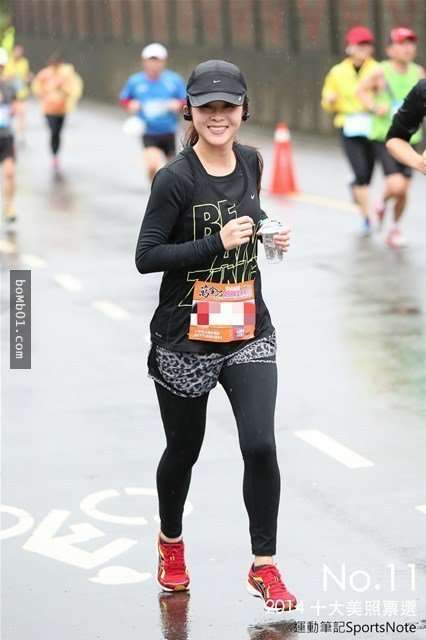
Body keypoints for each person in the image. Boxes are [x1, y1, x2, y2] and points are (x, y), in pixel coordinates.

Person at [135, 59, 297, 613]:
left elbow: (247, 216)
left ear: (243, 110)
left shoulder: (251, 161)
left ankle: (264, 565)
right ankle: (171, 540)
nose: (218, 116)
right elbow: (147, 256)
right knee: (184, 450)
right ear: (190, 112)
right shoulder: (175, 179)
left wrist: (269, 233)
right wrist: (216, 243)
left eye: (228, 106)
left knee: (260, 444)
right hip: (185, 338)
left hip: (248, 328)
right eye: (207, 107)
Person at [357, 28, 424, 248]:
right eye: (402, 44)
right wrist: (374, 107)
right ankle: (383, 201)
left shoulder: (418, 73)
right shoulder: (380, 71)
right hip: (387, 137)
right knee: (397, 185)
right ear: (390, 49)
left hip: (412, 138)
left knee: (403, 190)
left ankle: (395, 227)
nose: (408, 48)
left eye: (411, 43)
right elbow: (361, 91)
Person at [321, 26, 379, 234]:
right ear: (350, 47)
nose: (364, 49)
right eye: (360, 45)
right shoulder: (337, 72)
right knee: (361, 172)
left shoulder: (377, 70)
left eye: (367, 45)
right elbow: (326, 98)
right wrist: (330, 100)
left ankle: (356, 186)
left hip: (372, 126)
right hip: (348, 125)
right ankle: (367, 218)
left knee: (368, 173)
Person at [119, 43, 186, 181]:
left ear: (164, 62)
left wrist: (178, 105)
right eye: (151, 60)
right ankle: (155, 188)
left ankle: (162, 189)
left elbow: (186, 101)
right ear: (144, 62)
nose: (154, 65)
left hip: (169, 130)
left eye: (157, 61)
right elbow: (124, 99)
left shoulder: (174, 80)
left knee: (170, 168)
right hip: (148, 131)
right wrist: (131, 105)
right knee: (153, 165)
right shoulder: (135, 81)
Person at [32, 53, 83, 176]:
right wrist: (43, 94)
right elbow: (37, 87)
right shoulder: (45, 74)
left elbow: (75, 89)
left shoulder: (66, 75)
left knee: (58, 132)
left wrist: (63, 90)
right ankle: (54, 155)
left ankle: (56, 154)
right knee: (53, 131)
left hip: (61, 109)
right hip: (49, 109)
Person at [386, 80, 426, 176]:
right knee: (396, 182)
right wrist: (422, 164)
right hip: (374, 131)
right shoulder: (422, 89)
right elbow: (395, 139)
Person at [0, 48, 17, 224]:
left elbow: (15, 106)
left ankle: (9, 207)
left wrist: (12, 111)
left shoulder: (8, 87)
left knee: (10, 173)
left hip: (6, 136)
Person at [5, 44, 32, 146]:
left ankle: (21, 137)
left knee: (22, 116)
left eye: (20, 51)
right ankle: (9, 135)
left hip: (21, 93)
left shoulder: (24, 62)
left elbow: (26, 75)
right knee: (9, 116)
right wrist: (9, 77)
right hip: (9, 94)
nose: (18, 53)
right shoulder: (7, 62)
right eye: (17, 51)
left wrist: (28, 78)